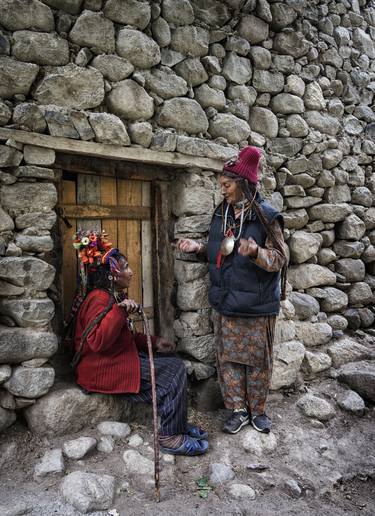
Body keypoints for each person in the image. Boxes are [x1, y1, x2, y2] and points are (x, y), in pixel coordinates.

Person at [66, 229, 208, 455]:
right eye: (125, 268)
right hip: (101, 369)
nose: (131, 272)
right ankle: (169, 436)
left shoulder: (111, 297)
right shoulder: (99, 299)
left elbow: (123, 337)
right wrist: (120, 313)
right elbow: (97, 342)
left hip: (115, 359)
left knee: (169, 360)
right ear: (112, 275)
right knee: (174, 371)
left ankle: (176, 424)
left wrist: (153, 342)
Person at [177, 146, 287, 435]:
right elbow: (219, 251)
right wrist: (199, 247)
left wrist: (255, 252)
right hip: (225, 301)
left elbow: (280, 259)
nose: (223, 191)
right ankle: (237, 410)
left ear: (243, 184)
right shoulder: (221, 214)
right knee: (228, 360)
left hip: (256, 306)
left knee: (257, 362)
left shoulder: (266, 216)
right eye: (221, 186)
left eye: (227, 185)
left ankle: (258, 411)